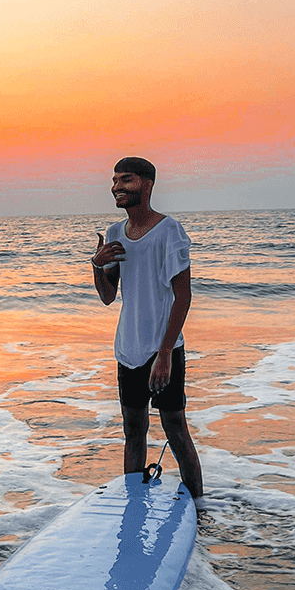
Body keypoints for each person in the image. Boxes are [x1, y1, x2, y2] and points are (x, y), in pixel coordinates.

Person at [90, 156, 203, 499]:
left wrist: (165, 354)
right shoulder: (114, 234)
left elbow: (183, 297)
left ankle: (198, 505)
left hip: (162, 348)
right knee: (133, 431)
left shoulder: (169, 231)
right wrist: (97, 265)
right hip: (128, 348)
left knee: (175, 429)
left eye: (126, 180)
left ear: (147, 184)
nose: (116, 187)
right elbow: (108, 297)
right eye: (114, 181)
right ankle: (133, 503)